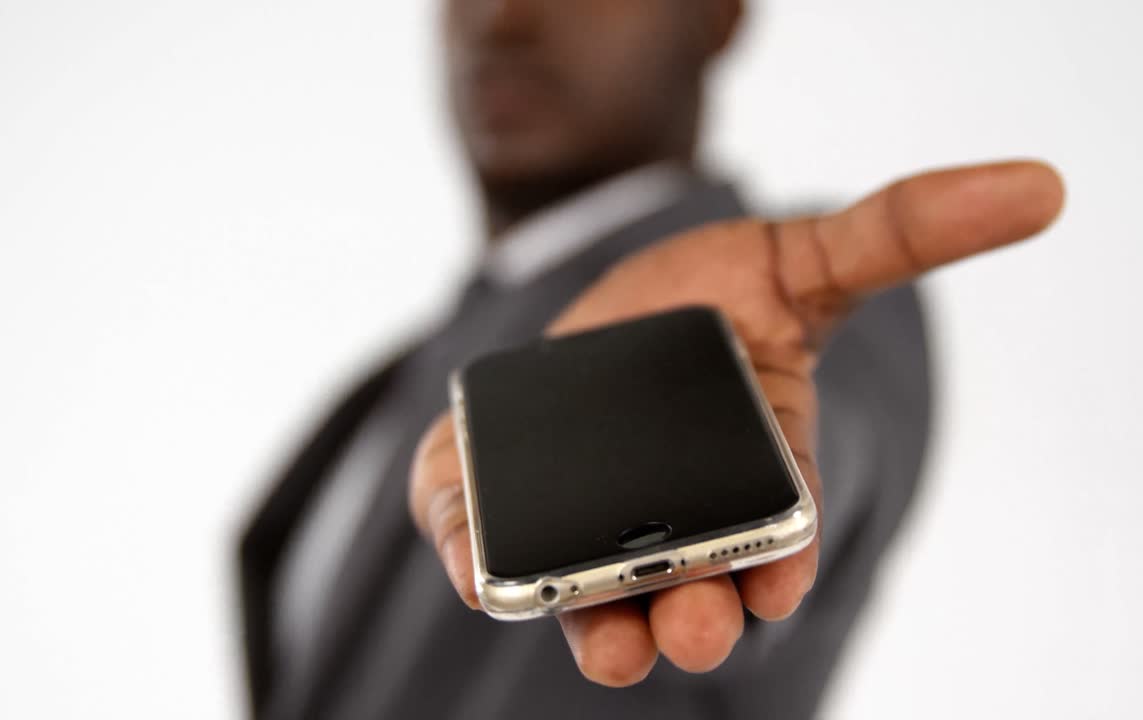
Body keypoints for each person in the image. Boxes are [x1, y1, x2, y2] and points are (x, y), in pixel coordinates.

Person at [237, 1, 1064, 718]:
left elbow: (836, 444)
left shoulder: (807, 313)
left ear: (720, 13)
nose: (503, 17)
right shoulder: (404, 378)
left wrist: (724, 461)